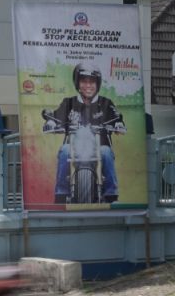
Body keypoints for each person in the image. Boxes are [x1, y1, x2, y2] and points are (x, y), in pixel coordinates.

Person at [48, 63, 126, 203]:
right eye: (84, 81)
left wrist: (119, 125)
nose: (88, 85)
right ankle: (61, 193)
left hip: (98, 147)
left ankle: (111, 194)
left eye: (92, 82)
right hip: (74, 147)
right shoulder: (68, 102)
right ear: (77, 82)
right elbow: (56, 116)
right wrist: (51, 123)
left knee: (107, 152)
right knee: (64, 150)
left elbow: (116, 117)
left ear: (98, 84)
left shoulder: (106, 103)